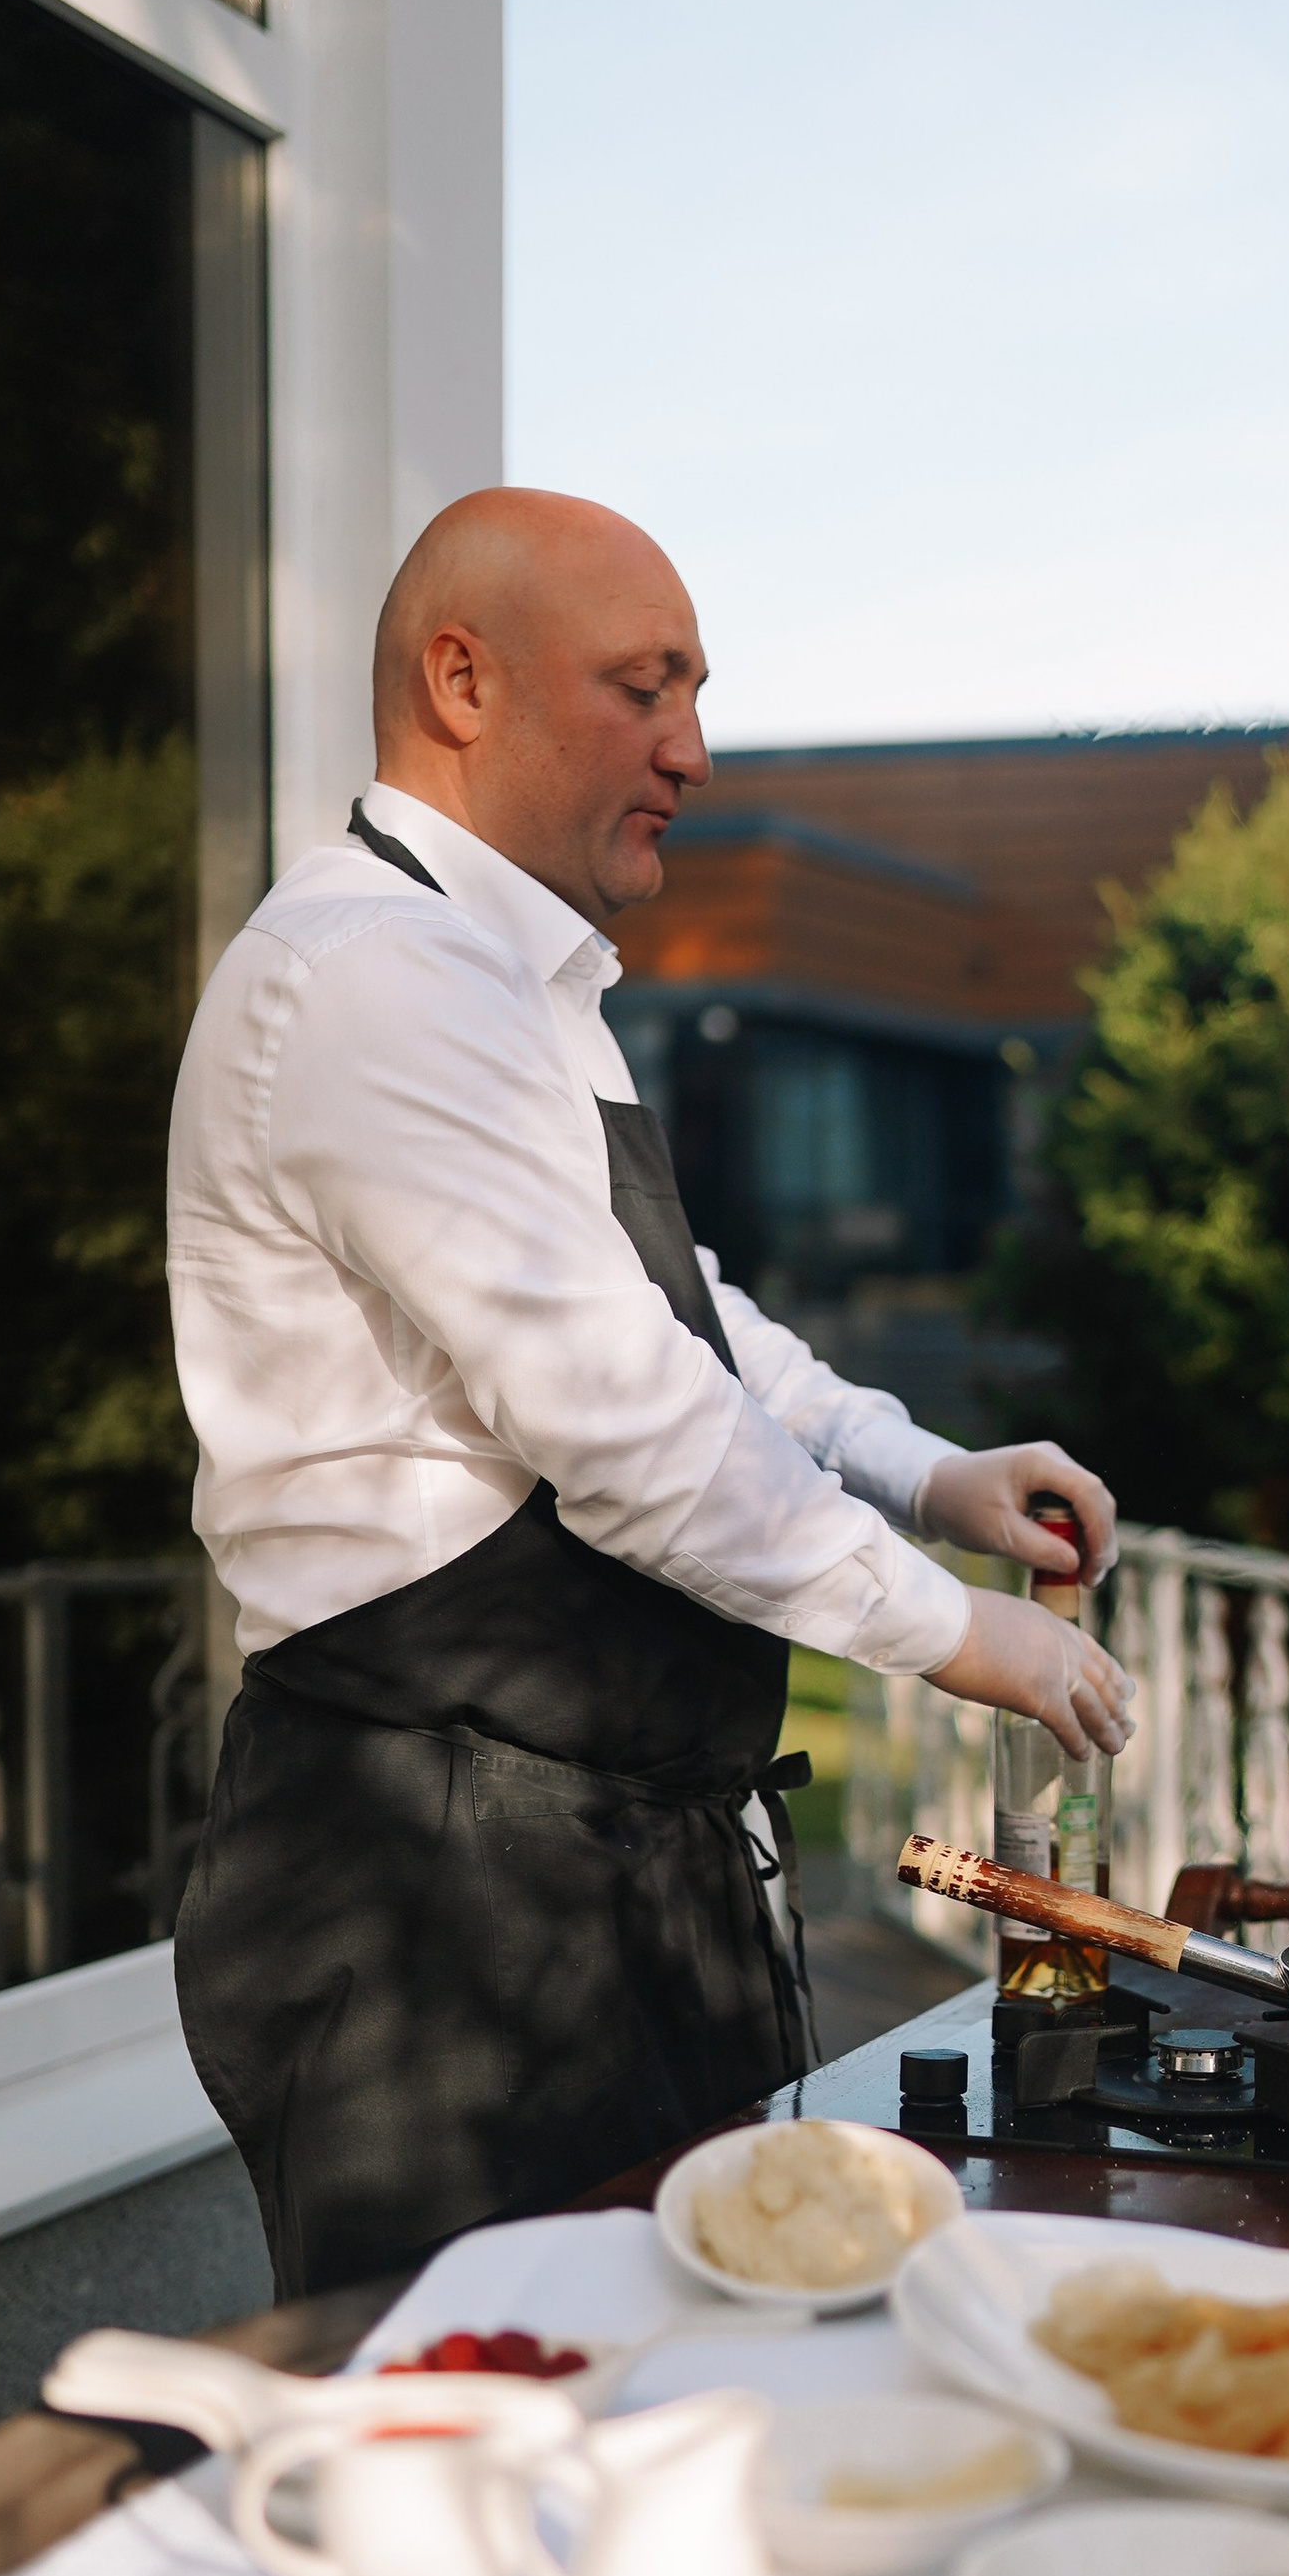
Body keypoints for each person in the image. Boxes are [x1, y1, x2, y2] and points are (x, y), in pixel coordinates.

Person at [167, 488, 1131, 2296]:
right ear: (462, 680)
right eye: (644, 688)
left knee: (674, 2424)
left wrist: (924, 1471)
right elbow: (628, 1426)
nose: (692, 748)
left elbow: (682, 1321)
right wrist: (965, 1638)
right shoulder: (370, 977)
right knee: (491, 2465)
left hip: (592, 1873)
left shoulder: (511, 981)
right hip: (432, 1908)